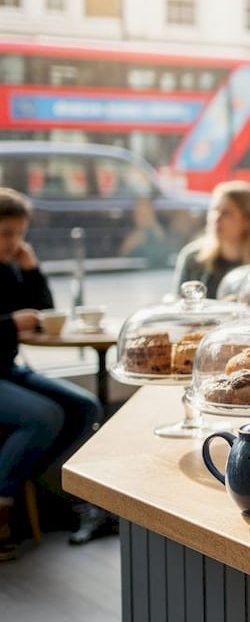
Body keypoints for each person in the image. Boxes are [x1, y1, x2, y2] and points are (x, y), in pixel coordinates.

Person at [0, 188, 109, 558]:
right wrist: (9, 326)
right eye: (5, 234)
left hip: (7, 370)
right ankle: (2, 502)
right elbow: (18, 323)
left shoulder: (11, 265)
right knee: (44, 415)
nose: (13, 242)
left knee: (86, 407)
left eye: (18, 233)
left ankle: (26, 480)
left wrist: (31, 270)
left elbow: (45, 316)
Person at [173, 181, 250, 299]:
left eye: (226, 213)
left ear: (248, 221)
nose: (216, 218)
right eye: (214, 210)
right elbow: (179, 304)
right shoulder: (193, 258)